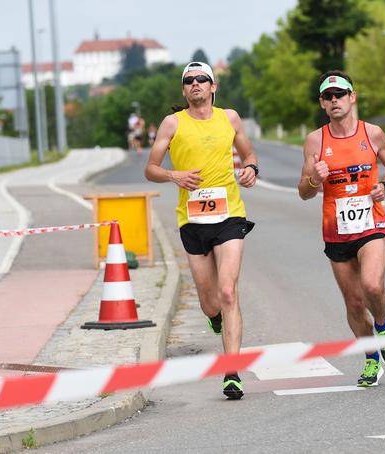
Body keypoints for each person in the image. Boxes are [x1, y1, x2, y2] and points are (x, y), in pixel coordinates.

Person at [145, 62, 259, 400]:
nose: (195, 84)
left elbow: (248, 152)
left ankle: (232, 372)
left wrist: (251, 167)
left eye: (202, 79)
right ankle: (214, 318)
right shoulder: (172, 123)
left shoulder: (230, 118)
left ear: (213, 86)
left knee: (228, 292)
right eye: (189, 81)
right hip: (192, 221)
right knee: (210, 303)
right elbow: (150, 168)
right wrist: (174, 176)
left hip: (229, 215)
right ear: (184, 90)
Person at [298, 70, 385, 387]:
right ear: (322, 103)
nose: (334, 101)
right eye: (328, 97)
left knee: (372, 287)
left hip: (371, 224)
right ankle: (372, 360)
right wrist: (315, 178)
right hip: (336, 230)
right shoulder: (316, 141)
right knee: (354, 304)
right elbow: (303, 191)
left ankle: (382, 328)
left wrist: (384, 185)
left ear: (352, 97)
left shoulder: (373, 133)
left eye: (339, 94)